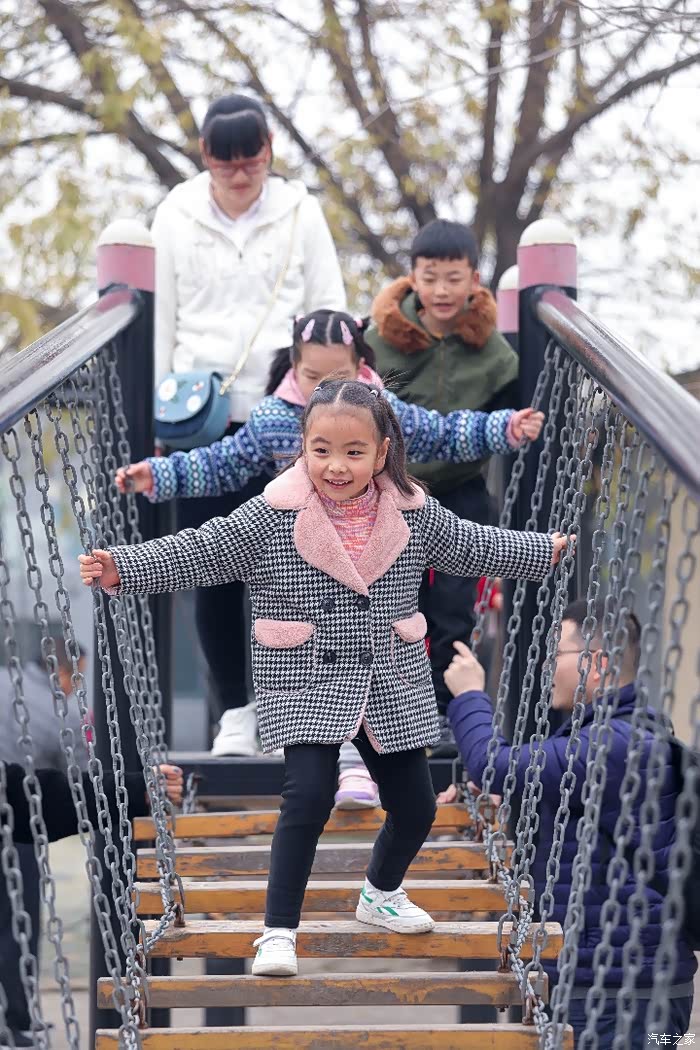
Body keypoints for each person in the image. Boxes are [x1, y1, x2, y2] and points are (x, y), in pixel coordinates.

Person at [80, 377, 567, 978]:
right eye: (321, 450)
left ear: (382, 452)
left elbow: (473, 546)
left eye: (353, 452)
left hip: (390, 676)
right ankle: (278, 933)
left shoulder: (413, 511)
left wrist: (543, 550)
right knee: (307, 795)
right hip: (305, 673)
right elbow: (199, 551)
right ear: (303, 449)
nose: (336, 466)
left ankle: (379, 893)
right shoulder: (271, 515)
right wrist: (123, 567)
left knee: (414, 807)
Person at [117, 309, 544, 760]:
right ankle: (257, 716)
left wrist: (504, 427)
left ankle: (375, 733)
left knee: (377, 630)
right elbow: (223, 462)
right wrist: (159, 475)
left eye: (336, 375)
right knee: (279, 630)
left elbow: (441, 434)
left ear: (361, 367)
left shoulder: (380, 413)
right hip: (301, 561)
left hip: (364, 552)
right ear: (293, 368)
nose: (321, 386)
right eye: (310, 375)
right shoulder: (275, 417)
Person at [152, 92, 346, 739]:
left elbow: (328, 309)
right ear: (204, 156)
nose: (239, 173)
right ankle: (236, 709)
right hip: (200, 418)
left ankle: (302, 707)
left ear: (269, 150)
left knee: (299, 563)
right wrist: (157, 418)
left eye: (251, 157)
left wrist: (331, 412)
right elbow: (162, 318)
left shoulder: (300, 211)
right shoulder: (176, 215)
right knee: (212, 567)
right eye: (224, 160)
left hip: (285, 414)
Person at [443, 599, 696, 1049]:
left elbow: (494, 764)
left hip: (624, 997)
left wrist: (468, 696)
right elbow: (530, 782)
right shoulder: (610, 737)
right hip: (626, 983)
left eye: (555, 655)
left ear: (595, 664)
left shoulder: (616, 744)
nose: (545, 667)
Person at [365, 219, 520, 756]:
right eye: (430, 278)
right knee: (392, 601)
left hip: (459, 489)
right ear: (412, 278)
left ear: (475, 279)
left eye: (454, 278)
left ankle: (445, 709)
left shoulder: (492, 350)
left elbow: (511, 413)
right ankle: (387, 713)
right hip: (391, 487)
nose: (442, 291)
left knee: (453, 607)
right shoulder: (379, 338)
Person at [0, 641, 183, 1047]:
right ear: (61, 670)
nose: (76, 687)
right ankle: (17, 1019)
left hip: (17, 813)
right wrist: (131, 786)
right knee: (17, 922)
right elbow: (66, 766)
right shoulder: (43, 704)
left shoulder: (9, 680)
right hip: (16, 827)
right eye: (77, 678)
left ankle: (15, 1017)